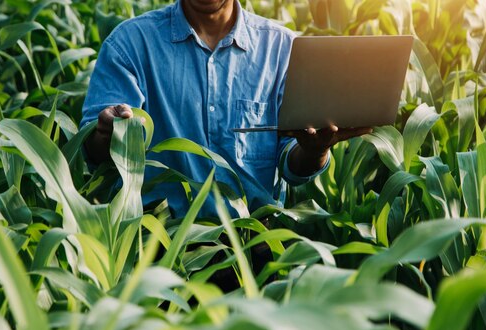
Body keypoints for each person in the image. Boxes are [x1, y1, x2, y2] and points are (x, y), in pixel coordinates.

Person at [81, 0, 371, 219]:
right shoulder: (130, 44)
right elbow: (90, 153)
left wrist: (315, 150)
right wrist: (105, 134)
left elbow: (291, 164)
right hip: (157, 248)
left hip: (254, 246)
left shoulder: (283, 49)